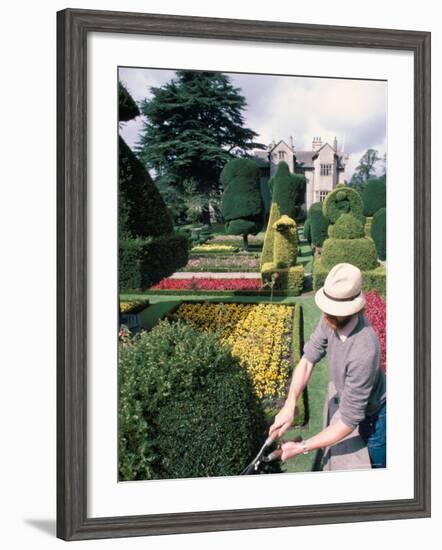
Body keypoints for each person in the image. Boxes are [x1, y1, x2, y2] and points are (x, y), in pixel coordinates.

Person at [269, 262, 386, 468]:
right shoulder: (329, 319)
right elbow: (307, 361)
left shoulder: (364, 348)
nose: (325, 314)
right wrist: (290, 403)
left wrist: (301, 447)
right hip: (352, 404)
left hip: (375, 417)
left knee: (376, 468)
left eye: (333, 310)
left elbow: (349, 421)